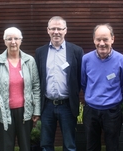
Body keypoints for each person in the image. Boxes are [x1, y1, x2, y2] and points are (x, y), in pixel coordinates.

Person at [0, 27, 41, 151]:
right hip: (4, 112)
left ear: (21, 40)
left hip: (25, 111)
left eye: (16, 38)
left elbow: (36, 87)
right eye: (9, 39)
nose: (13, 42)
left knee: (26, 146)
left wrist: (36, 110)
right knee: (6, 147)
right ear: (4, 41)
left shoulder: (29, 61)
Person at [35, 16, 84, 151]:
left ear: (65, 30)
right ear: (48, 30)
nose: (56, 32)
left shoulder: (76, 51)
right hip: (47, 105)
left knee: (69, 144)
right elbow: (38, 78)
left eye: (59, 29)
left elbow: (81, 77)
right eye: (53, 29)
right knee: (46, 144)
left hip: (67, 105)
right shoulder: (40, 52)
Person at [81, 23, 123, 151]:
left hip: (112, 111)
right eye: (98, 39)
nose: (102, 43)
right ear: (94, 40)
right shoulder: (86, 59)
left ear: (112, 39)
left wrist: (112, 100)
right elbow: (84, 83)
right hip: (91, 110)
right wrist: (93, 96)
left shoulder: (122, 60)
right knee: (91, 146)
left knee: (112, 146)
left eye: (105, 39)